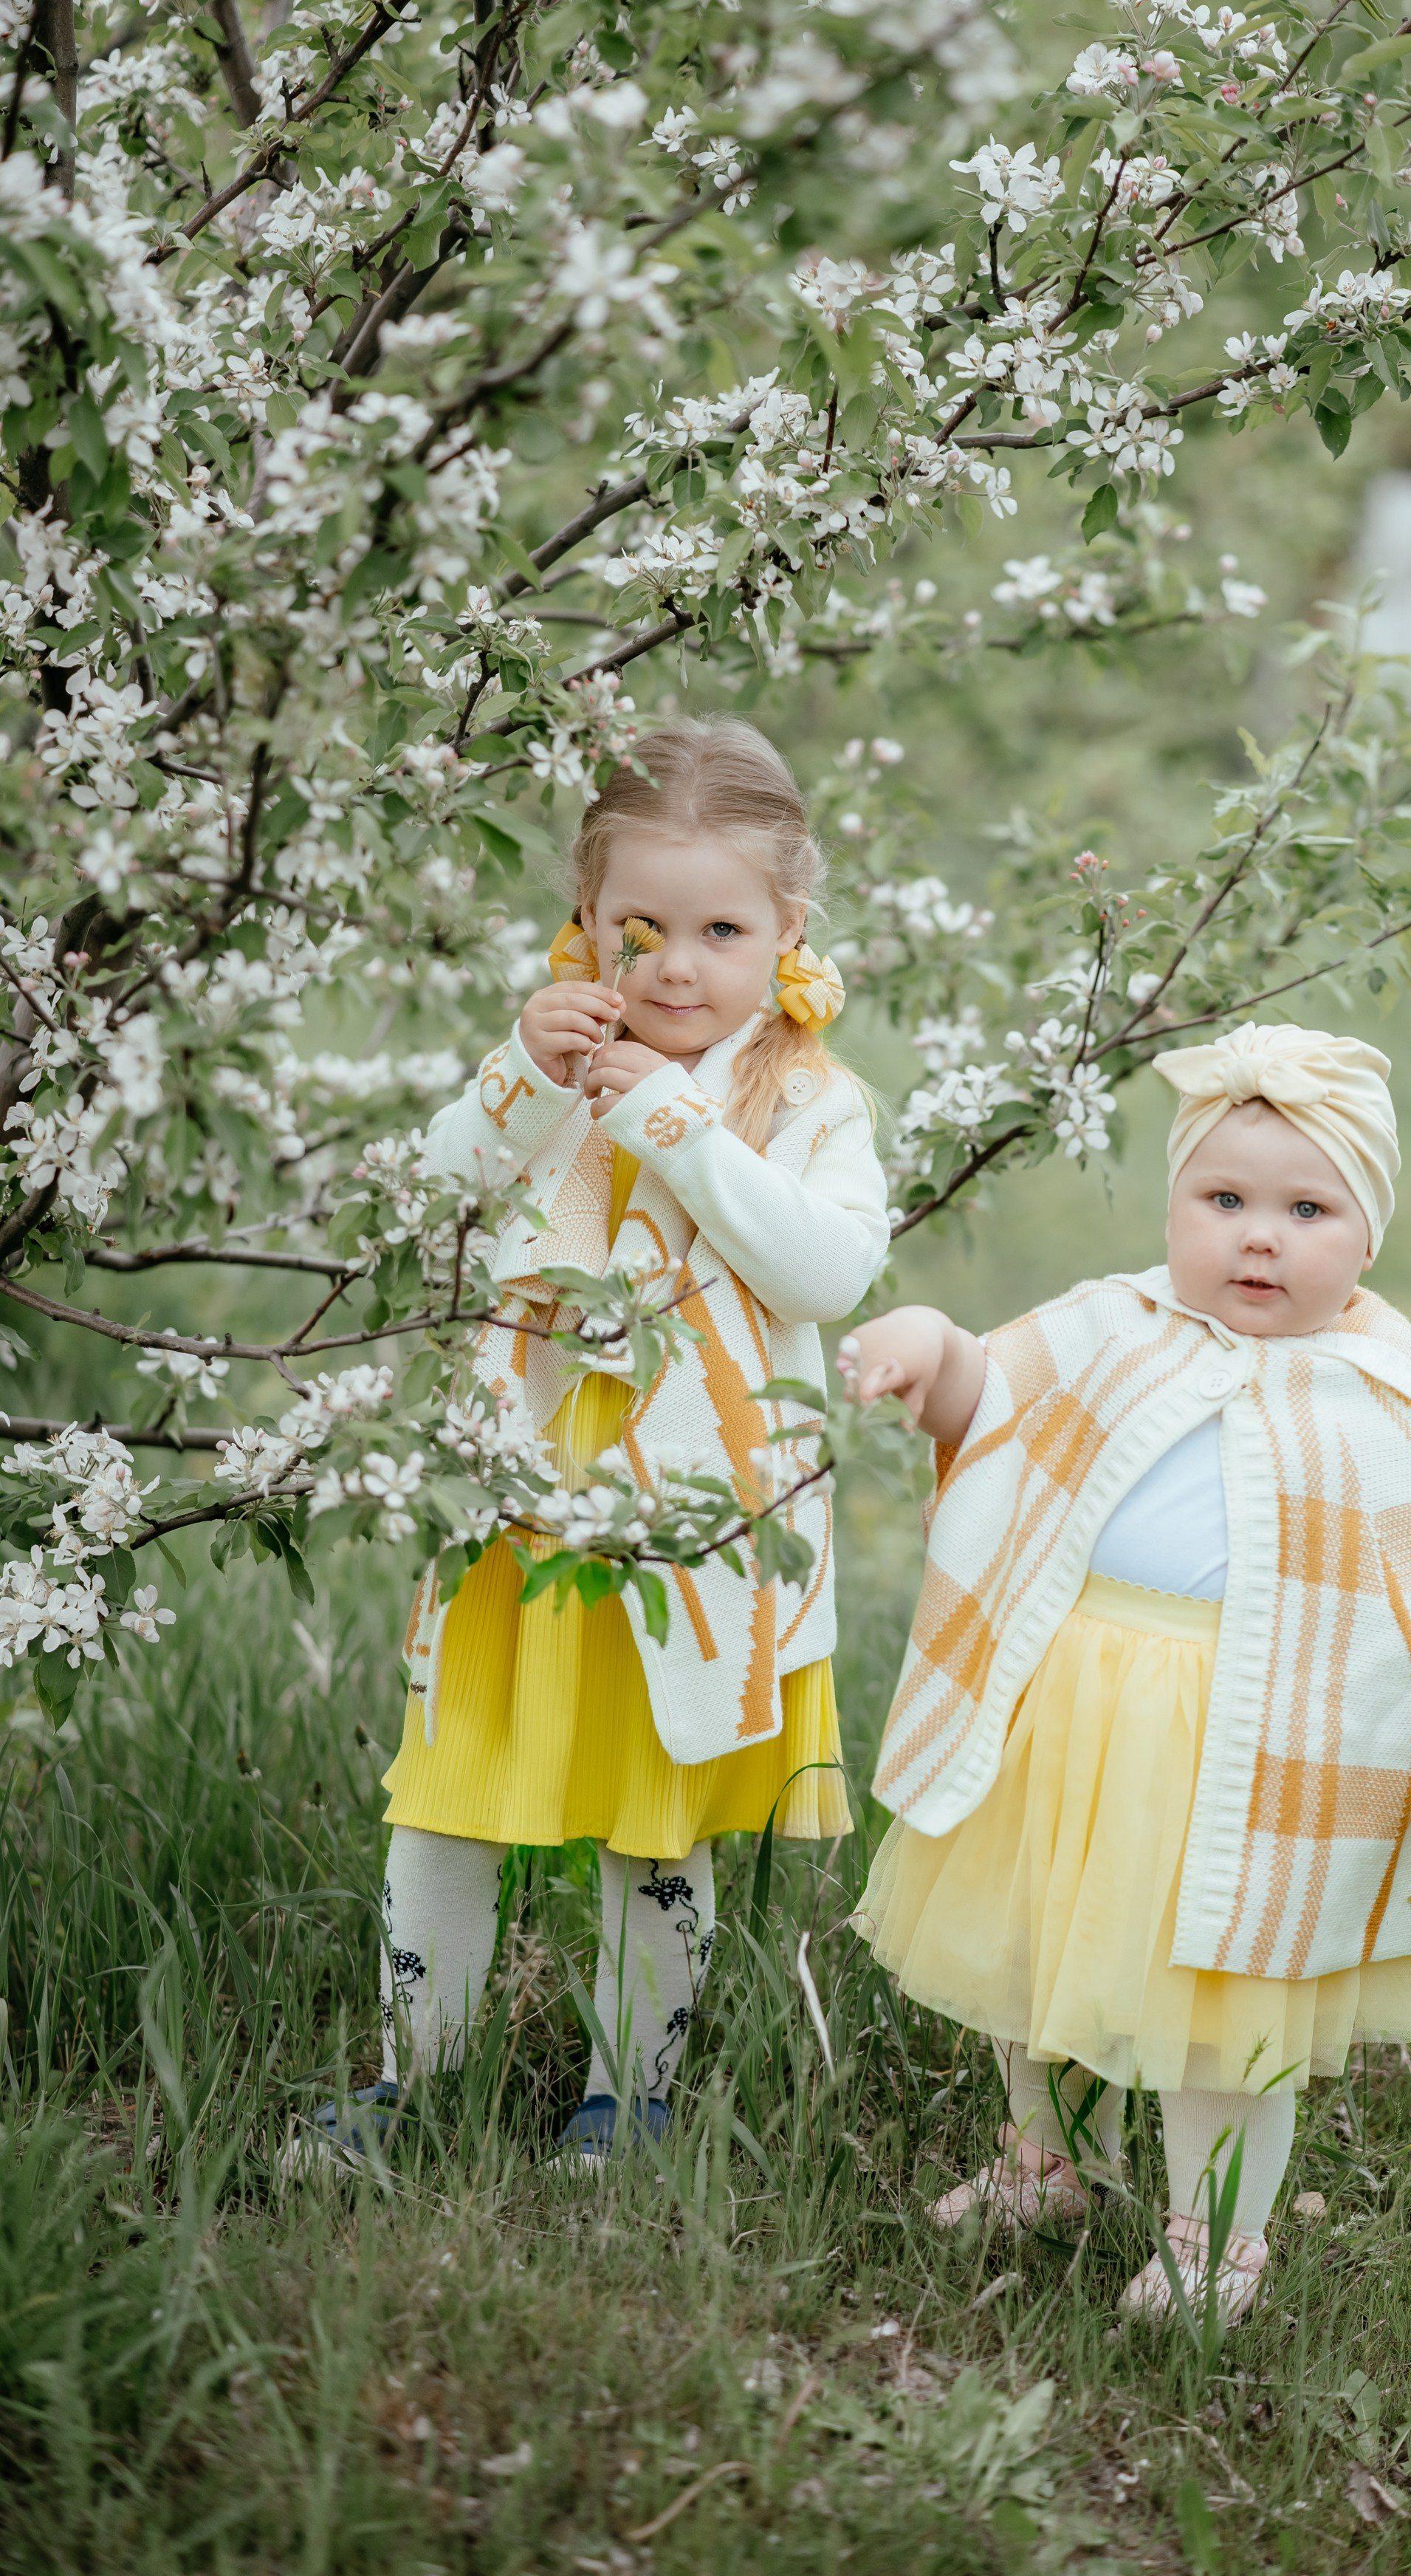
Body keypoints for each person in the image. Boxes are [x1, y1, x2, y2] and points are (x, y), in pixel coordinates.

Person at [840, 1021, 1411, 2320]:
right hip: (1082, 1715)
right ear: (1175, 1208)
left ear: (1368, 1237)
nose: (1258, 1236)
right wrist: (932, 1343)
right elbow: (992, 1405)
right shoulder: (1114, 1325)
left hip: (1264, 1747)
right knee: (1048, 1953)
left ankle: (1217, 2240)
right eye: (1223, 1201)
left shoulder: (1385, 1398)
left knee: (1228, 2008)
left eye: (1306, 1208)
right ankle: (1044, 2160)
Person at [317, 716, 888, 2166]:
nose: (677, 966)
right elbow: (425, 1203)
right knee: (446, 1804)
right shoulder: (554, 1070)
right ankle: (414, 2077)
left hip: (683, 1535)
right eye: (639, 927)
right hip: (521, 1501)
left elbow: (825, 1274)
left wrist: (688, 1127)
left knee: (654, 1821)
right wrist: (517, 1070)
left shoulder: (808, 1101)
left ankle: (627, 2095)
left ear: (786, 930)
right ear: (584, 918)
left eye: (720, 929)